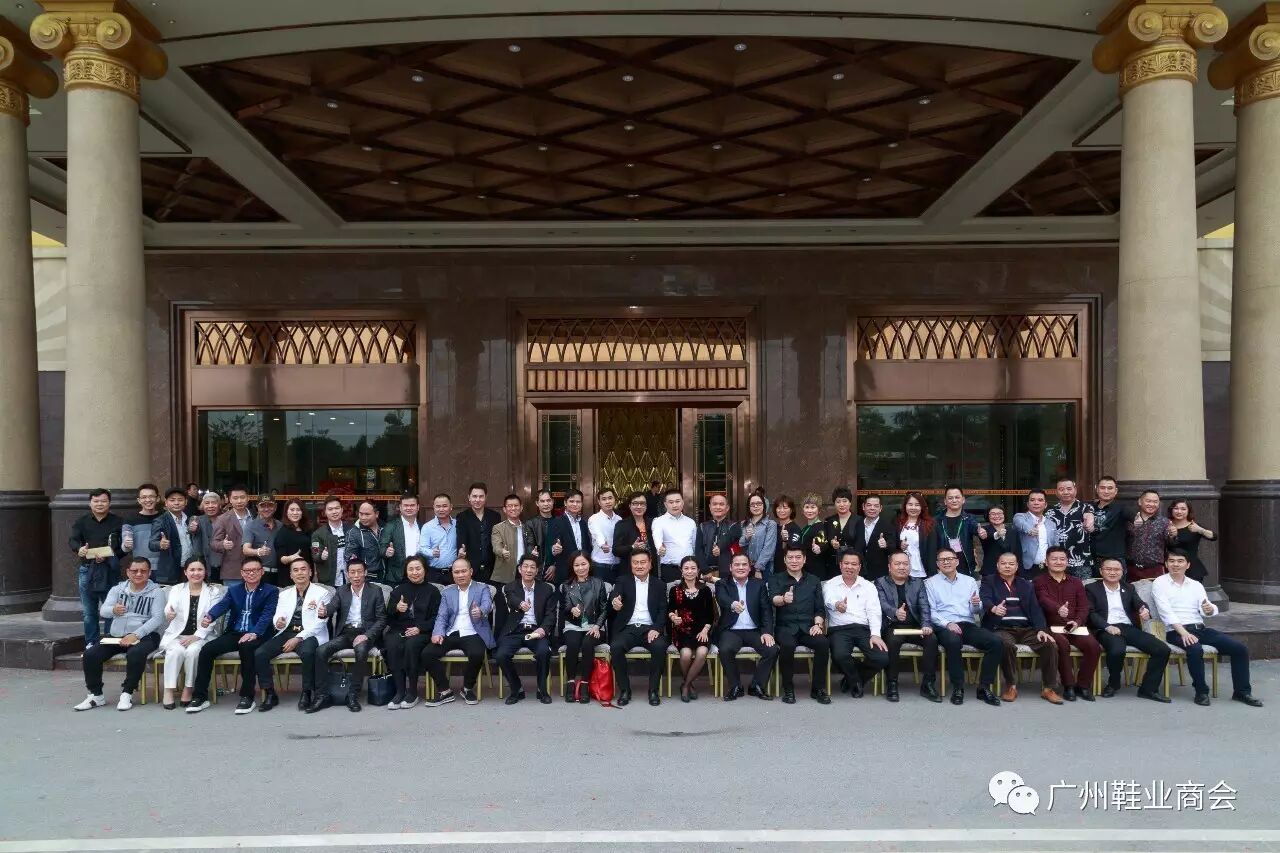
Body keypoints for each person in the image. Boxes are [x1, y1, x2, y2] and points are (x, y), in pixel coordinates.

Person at [1152, 550, 1262, 707]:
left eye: (1180, 561)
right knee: (1195, 649)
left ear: (1188, 565)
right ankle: (1201, 692)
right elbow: (1166, 613)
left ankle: (1242, 692)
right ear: (1166, 564)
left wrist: (1209, 609)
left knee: (1240, 649)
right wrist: (1184, 633)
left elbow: (1206, 608)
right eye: (1172, 561)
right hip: (1174, 631)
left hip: (1200, 628)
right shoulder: (1160, 583)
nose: (1175, 564)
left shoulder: (1195, 585)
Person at [73, 557, 167, 712]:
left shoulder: (157, 592)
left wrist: (136, 635)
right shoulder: (117, 589)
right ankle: (96, 695)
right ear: (128, 572)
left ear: (149, 573)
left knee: (135, 653)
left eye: (143, 571)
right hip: (117, 635)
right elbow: (103, 611)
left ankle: (127, 692)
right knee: (91, 654)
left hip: (146, 635)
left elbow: (158, 619)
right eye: (134, 571)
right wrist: (113, 610)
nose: (138, 574)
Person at [187, 557, 279, 714]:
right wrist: (210, 616)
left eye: (255, 570)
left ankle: (247, 697)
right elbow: (223, 605)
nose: (251, 573)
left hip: (259, 633)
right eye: (247, 571)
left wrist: (254, 633)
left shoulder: (271, 591)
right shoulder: (234, 590)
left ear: (262, 572)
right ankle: (200, 696)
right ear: (242, 573)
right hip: (236, 632)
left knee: (246, 647)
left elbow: (267, 615)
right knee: (207, 649)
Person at [980, 552, 1063, 704]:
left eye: (1011, 564)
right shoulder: (988, 581)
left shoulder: (1026, 584)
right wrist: (993, 608)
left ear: (1017, 566)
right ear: (997, 565)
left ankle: (1049, 688)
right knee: (1005, 644)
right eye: (1003, 563)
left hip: (1026, 629)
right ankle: (1011, 686)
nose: (1007, 566)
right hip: (1001, 628)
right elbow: (984, 599)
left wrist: (1041, 630)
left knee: (1049, 644)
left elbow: (1035, 609)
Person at [307, 558, 386, 713]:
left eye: (359, 572)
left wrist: (367, 635)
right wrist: (324, 611)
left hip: (365, 632)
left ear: (365, 573)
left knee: (361, 650)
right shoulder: (342, 590)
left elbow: (382, 619)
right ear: (348, 574)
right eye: (352, 572)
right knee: (321, 651)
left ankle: (352, 694)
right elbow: (332, 607)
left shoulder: (375, 590)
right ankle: (322, 695)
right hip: (346, 633)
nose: (356, 576)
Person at [1086, 557, 1171, 702]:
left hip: (1127, 627)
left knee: (1162, 649)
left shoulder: (1129, 588)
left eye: (1116, 569)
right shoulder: (1091, 588)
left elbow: (1139, 603)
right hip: (1105, 628)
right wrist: (1107, 626)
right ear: (1101, 571)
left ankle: (1148, 689)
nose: (1112, 572)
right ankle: (1113, 683)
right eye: (1108, 569)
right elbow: (1090, 613)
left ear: (1123, 571)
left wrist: (1143, 609)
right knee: (1117, 650)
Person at [925, 547, 1002, 706]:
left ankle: (984, 687)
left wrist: (976, 604)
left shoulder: (969, 581)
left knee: (995, 642)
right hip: (944, 625)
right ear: (937, 564)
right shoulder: (930, 583)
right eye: (942, 560)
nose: (946, 562)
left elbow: (976, 611)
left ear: (957, 561)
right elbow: (930, 611)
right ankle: (958, 687)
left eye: (950, 559)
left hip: (967, 623)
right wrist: (948, 624)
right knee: (953, 642)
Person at [254, 558, 330, 713]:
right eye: (296, 570)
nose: (300, 573)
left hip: (310, 633)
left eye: (303, 569)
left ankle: (307, 692)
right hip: (287, 632)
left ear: (310, 572)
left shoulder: (322, 593)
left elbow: (320, 623)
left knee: (308, 652)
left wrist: (298, 638)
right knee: (260, 653)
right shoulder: (284, 594)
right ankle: (270, 693)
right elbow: (278, 616)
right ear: (291, 575)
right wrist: (279, 622)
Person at [422, 558, 495, 706]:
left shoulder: (482, 588)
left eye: (463, 571)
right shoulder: (447, 592)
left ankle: (467, 688)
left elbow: (487, 604)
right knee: (427, 653)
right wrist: (437, 633)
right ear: (452, 574)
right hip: (451, 632)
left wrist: (480, 611)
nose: (460, 575)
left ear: (471, 571)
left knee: (477, 653)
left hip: (473, 632)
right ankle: (445, 691)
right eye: (456, 572)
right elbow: (442, 616)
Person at [1033, 545, 1101, 701]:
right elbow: (1043, 599)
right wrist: (1058, 608)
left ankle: (1083, 686)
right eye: (1054, 559)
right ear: (1046, 562)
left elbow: (1084, 607)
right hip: (1051, 626)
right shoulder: (1039, 581)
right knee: (1062, 645)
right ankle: (1068, 685)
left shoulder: (1076, 582)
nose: (1058, 562)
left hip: (1074, 626)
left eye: (1062, 559)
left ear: (1067, 562)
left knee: (1093, 646)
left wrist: (1077, 622)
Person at [157, 557, 224, 709]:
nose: (196, 573)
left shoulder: (213, 591)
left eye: (200, 569)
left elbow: (212, 617)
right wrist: (169, 614)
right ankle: (168, 690)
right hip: (178, 635)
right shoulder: (177, 589)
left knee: (193, 651)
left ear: (205, 572)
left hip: (202, 636)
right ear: (186, 572)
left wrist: (197, 636)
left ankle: (188, 689)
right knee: (175, 651)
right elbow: (169, 607)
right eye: (192, 570)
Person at [768, 546, 832, 704]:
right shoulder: (776, 578)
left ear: (804, 560)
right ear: (785, 560)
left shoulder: (814, 580)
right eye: (790, 557)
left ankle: (818, 689)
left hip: (808, 627)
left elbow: (819, 608)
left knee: (823, 643)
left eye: (798, 557)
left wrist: (818, 624)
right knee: (787, 645)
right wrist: (783, 599)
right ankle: (788, 689)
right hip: (785, 627)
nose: (794, 561)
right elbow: (773, 599)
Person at [875, 551, 940, 702]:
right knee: (892, 642)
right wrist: (895, 612)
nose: (902, 567)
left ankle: (928, 684)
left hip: (915, 626)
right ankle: (892, 683)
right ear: (889, 566)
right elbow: (881, 603)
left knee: (931, 639)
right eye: (897, 564)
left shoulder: (918, 583)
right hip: (892, 626)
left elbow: (924, 606)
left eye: (905, 564)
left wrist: (926, 625)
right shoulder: (880, 582)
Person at [823, 550, 888, 700]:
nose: (850, 567)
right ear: (840, 565)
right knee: (840, 655)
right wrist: (837, 605)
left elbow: (874, 611)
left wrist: (875, 634)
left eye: (854, 564)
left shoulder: (868, 586)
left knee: (882, 657)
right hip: (839, 629)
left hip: (863, 629)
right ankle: (856, 683)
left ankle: (852, 679)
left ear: (859, 567)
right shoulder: (830, 584)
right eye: (846, 563)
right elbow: (828, 600)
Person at [608, 550, 669, 707]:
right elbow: (615, 595)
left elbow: (663, 610)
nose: (639, 566)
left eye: (643, 562)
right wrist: (615, 602)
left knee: (660, 646)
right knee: (616, 647)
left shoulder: (659, 584)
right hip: (628, 628)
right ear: (631, 564)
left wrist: (656, 628)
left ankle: (653, 690)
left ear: (650, 564)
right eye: (635, 562)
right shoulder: (622, 581)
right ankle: (624, 690)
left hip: (649, 628)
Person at [494, 554, 557, 704]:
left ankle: (542, 690)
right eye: (525, 567)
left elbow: (551, 614)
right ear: (519, 569)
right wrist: (520, 603)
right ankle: (516, 689)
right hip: (515, 631)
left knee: (543, 652)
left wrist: (543, 629)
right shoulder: (510, 587)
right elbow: (511, 598)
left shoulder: (546, 589)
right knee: (501, 655)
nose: (529, 570)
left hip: (536, 631)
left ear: (537, 570)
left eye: (532, 567)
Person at [715, 553, 778, 700]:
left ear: (750, 568)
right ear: (730, 567)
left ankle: (757, 686)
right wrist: (732, 604)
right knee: (725, 649)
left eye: (744, 564)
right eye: (737, 564)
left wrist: (767, 632)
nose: (741, 567)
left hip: (754, 630)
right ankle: (735, 686)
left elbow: (766, 611)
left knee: (772, 649)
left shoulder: (759, 584)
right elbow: (722, 598)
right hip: (731, 630)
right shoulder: (722, 584)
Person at [69, 488, 125, 647]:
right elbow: (73, 540)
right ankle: (91, 642)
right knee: (89, 611)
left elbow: (124, 548)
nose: (100, 504)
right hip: (88, 569)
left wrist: (111, 556)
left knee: (111, 608)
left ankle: (110, 641)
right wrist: (79, 549)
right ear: (90, 503)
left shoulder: (118, 521)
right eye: (96, 501)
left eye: (104, 501)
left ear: (109, 503)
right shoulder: (81, 521)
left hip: (110, 570)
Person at [383, 555, 440, 709]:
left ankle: (412, 692)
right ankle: (400, 691)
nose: (415, 572)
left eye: (418, 568)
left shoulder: (433, 591)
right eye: (411, 569)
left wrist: (420, 628)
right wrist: (396, 609)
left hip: (422, 632)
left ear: (425, 570)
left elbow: (437, 618)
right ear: (406, 571)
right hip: (399, 630)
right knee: (392, 644)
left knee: (411, 645)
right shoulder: (398, 590)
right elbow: (387, 618)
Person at [560, 551, 609, 703]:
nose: (580, 568)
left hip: (595, 626)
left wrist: (597, 626)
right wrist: (571, 610)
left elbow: (604, 609)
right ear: (572, 567)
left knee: (587, 643)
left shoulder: (599, 583)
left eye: (583, 564)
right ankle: (570, 683)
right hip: (573, 626)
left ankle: (585, 684)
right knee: (573, 644)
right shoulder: (566, 585)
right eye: (576, 565)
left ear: (589, 564)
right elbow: (564, 608)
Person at [668, 555, 715, 701]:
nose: (690, 571)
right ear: (681, 571)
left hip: (702, 630)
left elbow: (711, 614)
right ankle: (689, 684)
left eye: (693, 568)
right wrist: (673, 618)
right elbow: (670, 610)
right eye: (686, 568)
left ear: (698, 570)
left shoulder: (706, 590)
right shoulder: (675, 590)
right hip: (682, 630)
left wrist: (705, 630)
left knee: (702, 652)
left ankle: (686, 685)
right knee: (686, 654)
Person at [150, 486, 201, 585]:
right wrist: (160, 544)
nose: (176, 503)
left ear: (186, 502)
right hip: (171, 570)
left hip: (190, 568)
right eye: (172, 500)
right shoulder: (160, 521)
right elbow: (152, 544)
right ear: (166, 502)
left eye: (180, 500)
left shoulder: (189, 519)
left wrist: (195, 532)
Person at [1047, 478, 1094, 580]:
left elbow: (1090, 519)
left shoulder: (1086, 508)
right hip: (1056, 562)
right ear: (1056, 492)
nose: (1065, 492)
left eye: (1069, 489)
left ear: (1075, 490)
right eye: (1061, 489)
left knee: (1081, 589)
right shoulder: (1050, 511)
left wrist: (1089, 523)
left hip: (1080, 562)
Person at [456, 482, 501, 584]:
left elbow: (497, 539)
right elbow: (461, 537)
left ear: (486, 497)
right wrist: (461, 550)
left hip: (492, 567)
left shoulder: (495, 516)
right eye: (474, 496)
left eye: (481, 496)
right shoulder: (462, 517)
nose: (477, 500)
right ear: (469, 497)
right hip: (471, 567)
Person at [935, 486, 985, 576]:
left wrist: (981, 533)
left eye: (957, 497)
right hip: (943, 567)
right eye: (950, 498)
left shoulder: (969, 519)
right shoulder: (936, 521)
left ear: (963, 500)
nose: (954, 500)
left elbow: (976, 529)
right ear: (945, 501)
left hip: (965, 567)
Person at [546, 489, 591, 585]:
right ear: (565, 503)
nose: (575, 504)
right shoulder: (556, 522)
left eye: (578, 502)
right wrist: (554, 549)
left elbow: (587, 546)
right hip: (565, 571)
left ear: (582, 504)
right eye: (571, 501)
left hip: (583, 571)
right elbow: (552, 545)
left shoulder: (583, 523)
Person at [652, 488, 698, 584]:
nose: (675, 505)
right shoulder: (659, 521)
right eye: (671, 502)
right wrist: (660, 548)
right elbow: (657, 538)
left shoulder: (690, 522)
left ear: (683, 502)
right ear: (665, 504)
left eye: (677, 501)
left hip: (689, 569)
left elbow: (694, 545)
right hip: (670, 569)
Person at [211, 485, 254, 585]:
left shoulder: (255, 516)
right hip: (232, 571)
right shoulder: (222, 519)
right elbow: (214, 543)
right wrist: (223, 544)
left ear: (248, 498)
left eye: (242, 497)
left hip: (254, 569)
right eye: (235, 498)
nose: (239, 501)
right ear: (229, 499)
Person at [851, 493, 898, 583]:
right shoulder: (857, 523)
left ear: (880, 508)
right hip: (858, 572)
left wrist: (886, 545)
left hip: (878, 574)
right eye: (869, 505)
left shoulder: (888, 525)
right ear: (863, 507)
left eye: (876, 506)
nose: (872, 508)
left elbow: (893, 547)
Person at [1088, 476, 1130, 577]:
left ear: (1116, 491)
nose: (1106, 491)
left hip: (1114, 560)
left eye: (1110, 488)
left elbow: (1135, 518)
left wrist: (1139, 520)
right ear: (1097, 489)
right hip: (1091, 559)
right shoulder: (1088, 507)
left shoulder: (1122, 508)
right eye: (1102, 488)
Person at [311, 495, 357, 586]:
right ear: (325, 512)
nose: (334, 511)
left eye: (337, 508)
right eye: (330, 509)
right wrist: (321, 556)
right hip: (329, 580)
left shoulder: (351, 529)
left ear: (342, 509)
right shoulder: (318, 534)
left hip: (350, 578)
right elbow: (315, 554)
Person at [1166, 500, 1216, 583]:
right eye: (1176, 508)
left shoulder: (1194, 526)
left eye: (1183, 509)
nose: (1179, 511)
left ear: (1188, 511)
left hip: (1192, 568)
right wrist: (1170, 535)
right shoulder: (1166, 525)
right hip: (1171, 567)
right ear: (1171, 510)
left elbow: (1213, 537)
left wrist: (1200, 530)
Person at [1013, 489, 1059, 578]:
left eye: (1040, 500)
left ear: (1045, 505)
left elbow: (1055, 545)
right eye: (1032, 500)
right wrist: (1029, 529)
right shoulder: (1020, 517)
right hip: (1027, 567)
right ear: (1028, 504)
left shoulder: (1051, 524)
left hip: (1048, 567)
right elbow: (1019, 523)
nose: (1036, 503)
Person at [1127, 490, 1171, 581]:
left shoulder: (1164, 522)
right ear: (1140, 502)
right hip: (1130, 568)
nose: (1151, 504)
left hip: (1155, 569)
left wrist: (1173, 534)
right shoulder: (1129, 521)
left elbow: (1171, 543)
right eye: (1148, 501)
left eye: (1155, 502)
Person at [379, 492, 422, 585]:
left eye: (412, 505)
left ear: (418, 507)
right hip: (397, 576)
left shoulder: (423, 526)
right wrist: (387, 552)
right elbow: (381, 549)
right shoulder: (391, 526)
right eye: (406, 505)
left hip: (419, 574)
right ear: (400, 507)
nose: (409, 508)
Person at [121, 483, 163, 575]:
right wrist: (127, 544)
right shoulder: (130, 519)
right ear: (139, 500)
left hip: (163, 566)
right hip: (140, 568)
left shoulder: (165, 517)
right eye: (144, 497)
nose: (148, 500)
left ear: (158, 498)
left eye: (151, 496)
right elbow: (125, 548)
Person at [696, 494, 740, 579]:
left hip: (729, 572)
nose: (718, 507)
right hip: (707, 573)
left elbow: (736, 549)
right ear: (710, 507)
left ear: (727, 508)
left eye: (721, 504)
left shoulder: (734, 526)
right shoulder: (702, 526)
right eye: (715, 504)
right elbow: (698, 550)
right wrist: (705, 570)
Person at [896, 491, 937, 579]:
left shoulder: (929, 524)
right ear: (905, 506)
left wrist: (933, 573)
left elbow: (932, 550)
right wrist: (900, 545)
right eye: (910, 504)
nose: (913, 507)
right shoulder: (898, 523)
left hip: (922, 570)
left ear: (922, 507)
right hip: (901, 569)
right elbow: (893, 544)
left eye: (917, 505)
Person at [420, 493, 459, 585]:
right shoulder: (427, 527)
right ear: (433, 507)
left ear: (451, 507)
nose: (441, 509)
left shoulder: (458, 525)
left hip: (454, 573)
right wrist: (432, 553)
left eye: (444, 506)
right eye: (438, 506)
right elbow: (422, 548)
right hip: (434, 573)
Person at [613, 491, 658, 570]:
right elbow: (616, 550)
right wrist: (632, 547)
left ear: (646, 506)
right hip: (629, 570)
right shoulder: (622, 525)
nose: (639, 506)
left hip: (651, 569)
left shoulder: (654, 523)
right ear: (630, 506)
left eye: (642, 503)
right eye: (635, 503)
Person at [490, 493, 527, 589]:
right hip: (506, 573)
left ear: (521, 508)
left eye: (516, 505)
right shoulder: (498, 528)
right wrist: (502, 551)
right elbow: (496, 546)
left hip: (525, 571)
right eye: (510, 506)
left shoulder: (527, 527)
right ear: (504, 509)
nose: (513, 508)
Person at [738, 492, 778, 580]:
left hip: (764, 567)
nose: (755, 506)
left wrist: (758, 568)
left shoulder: (770, 524)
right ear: (749, 507)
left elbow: (769, 548)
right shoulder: (744, 524)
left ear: (764, 505)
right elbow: (741, 544)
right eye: (752, 504)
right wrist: (747, 537)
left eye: (759, 503)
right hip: (746, 566)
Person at [243, 493, 281, 585]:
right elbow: (245, 550)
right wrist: (258, 551)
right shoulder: (250, 526)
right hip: (260, 574)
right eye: (263, 506)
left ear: (275, 507)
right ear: (257, 507)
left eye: (270, 505)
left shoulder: (280, 525)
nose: (266, 509)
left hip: (280, 573)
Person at [273, 500, 313, 587]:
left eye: (298, 510)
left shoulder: (307, 530)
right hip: (289, 577)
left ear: (302, 512)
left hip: (306, 575)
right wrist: (292, 558)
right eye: (292, 510)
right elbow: (281, 558)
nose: (295, 513)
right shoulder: (282, 532)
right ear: (286, 512)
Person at [344, 501, 386, 582]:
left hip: (387, 577)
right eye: (361, 514)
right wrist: (352, 559)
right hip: (367, 579)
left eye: (367, 514)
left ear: (376, 514)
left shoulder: (385, 528)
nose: (363, 517)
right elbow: (349, 557)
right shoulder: (354, 533)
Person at [587, 488, 622, 583]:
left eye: (610, 498)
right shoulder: (594, 519)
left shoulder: (619, 519)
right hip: (600, 565)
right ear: (599, 502)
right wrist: (602, 544)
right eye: (604, 499)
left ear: (615, 499)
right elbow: (597, 534)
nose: (607, 501)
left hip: (617, 564)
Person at [823, 488, 859, 579]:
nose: (841, 504)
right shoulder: (829, 521)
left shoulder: (858, 520)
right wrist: (831, 543)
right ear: (834, 504)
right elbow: (825, 541)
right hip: (832, 566)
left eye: (844, 501)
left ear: (850, 502)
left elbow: (860, 544)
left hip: (851, 565)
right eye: (838, 501)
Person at [979, 505, 1019, 577]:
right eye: (993, 514)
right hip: (990, 572)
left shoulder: (1012, 530)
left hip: (1010, 572)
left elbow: (1018, 551)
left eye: (1000, 513)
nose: (997, 516)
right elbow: (987, 536)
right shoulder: (984, 530)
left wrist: (1019, 571)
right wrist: (997, 534)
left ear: (1004, 515)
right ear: (988, 516)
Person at [797, 494, 831, 579]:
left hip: (816, 572)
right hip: (806, 570)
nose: (809, 510)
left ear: (819, 510)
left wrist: (819, 548)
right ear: (803, 510)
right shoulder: (806, 527)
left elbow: (824, 544)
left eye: (813, 507)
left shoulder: (820, 527)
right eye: (807, 507)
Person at [523, 489, 556, 572]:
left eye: (548, 500)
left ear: (553, 501)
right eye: (542, 501)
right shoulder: (531, 523)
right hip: (538, 569)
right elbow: (530, 545)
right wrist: (532, 552)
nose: (546, 504)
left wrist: (555, 565)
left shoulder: (559, 522)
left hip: (557, 568)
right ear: (537, 503)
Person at [195, 491, 223, 576]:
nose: (210, 506)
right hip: (204, 563)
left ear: (219, 505)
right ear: (203, 506)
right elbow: (191, 529)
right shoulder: (197, 520)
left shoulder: (226, 519)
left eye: (214, 503)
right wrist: (192, 529)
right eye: (207, 503)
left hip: (223, 563)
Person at [772, 495, 801, 569]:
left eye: (785, 508)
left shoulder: (795, 529)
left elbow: (792, 550)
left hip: (786, 569)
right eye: (779, 508)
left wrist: (785, 540)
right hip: (771, 569)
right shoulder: (773, 527)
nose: (782, 510)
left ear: (791, 510)